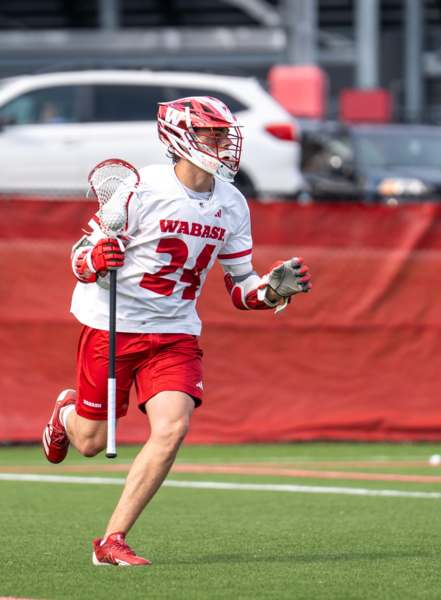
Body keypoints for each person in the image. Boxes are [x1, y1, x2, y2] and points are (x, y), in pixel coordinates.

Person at [40, 95, 312, 566]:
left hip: (175, 332)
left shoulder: (232, 202)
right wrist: (95, 261)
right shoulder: (140, 187)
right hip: (114, 325)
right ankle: (65, 414)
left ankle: (112, 540)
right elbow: (82, 254)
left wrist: (270, 291)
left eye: (224, 134)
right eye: (211, 134)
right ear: (181, 137)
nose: (222, 143)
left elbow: (239, 285)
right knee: (88, 441)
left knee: (173, 427)